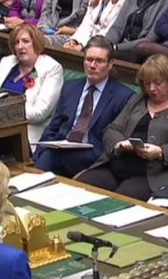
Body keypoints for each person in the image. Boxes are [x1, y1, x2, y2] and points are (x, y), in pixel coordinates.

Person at [76, 54, 168, 201]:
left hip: (151, 174)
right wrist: (120, 144)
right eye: (147, 84)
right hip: (117, 164)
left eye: (157, 83)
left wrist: (161, 152)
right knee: (80, 186)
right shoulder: (138, 99)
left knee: (120, 200)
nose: (152, 89)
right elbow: (112, 129)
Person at [34, 36, 133, 177]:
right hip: (60, 148)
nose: (92, 65)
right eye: (89, 59)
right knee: (44, 161)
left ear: (110, 64)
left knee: (53, 158)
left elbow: (115, 140)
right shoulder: (70, 87)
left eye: (99, 61)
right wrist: (41, 151)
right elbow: (53, 127)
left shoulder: (123, 96)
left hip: (92, 155)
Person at [0, 23, 64, 149]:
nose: (20, 46)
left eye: (25, 41)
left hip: (26, 135)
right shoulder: (6, 62)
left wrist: (3, 111)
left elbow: (39, 114)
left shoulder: (51, 68)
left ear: (35, 43)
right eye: (16, 42)